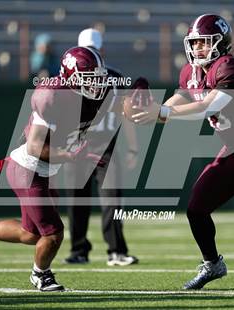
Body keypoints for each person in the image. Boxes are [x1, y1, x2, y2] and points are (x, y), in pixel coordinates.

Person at [0, 46, 135, 291]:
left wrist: (148, 104)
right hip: (28, 169)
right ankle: (41, 275)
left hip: (43, 172)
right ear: (72, 77)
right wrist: (72, 156)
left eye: (99, 77)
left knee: (30, 234)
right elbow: (35, 146)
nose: (97, 83)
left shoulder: (94, 95)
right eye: (90, 78)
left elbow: (123, 105)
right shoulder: (52, 96)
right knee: (53, 233)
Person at [132, 14, 234, 290]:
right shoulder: (190, 72)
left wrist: (164, 111)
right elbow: (178, 101)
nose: (197, 48)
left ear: (221, 43)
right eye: (195, 43)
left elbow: (210, 106)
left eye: (204, 43)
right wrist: (151, 112)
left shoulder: (230, 68)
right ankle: (213, 264)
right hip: (233, 148)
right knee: (196, 208)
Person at [63, 28, 139, 266]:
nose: (91, 54)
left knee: (112, 201)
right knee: (76, 200)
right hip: (77, 146)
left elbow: (126, 115)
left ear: (101, 50)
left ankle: (116, 251)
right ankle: (78, 250)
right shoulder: (70, 80)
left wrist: (133, 147)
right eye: (87, 50)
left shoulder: (115, 77)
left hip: (106, 146)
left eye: (94, 50)